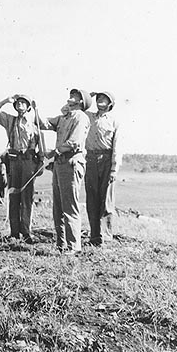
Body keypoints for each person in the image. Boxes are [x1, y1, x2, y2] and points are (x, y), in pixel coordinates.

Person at [0, 94, 46, 243]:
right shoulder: (10, 120)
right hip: (14, 161)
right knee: (13, 196)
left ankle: (26, 232)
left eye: (23, 103)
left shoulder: (35, 124)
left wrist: (40, 163)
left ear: (28, 107)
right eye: (18, 102)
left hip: (29, 161)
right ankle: (14, 233)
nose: (20, 105)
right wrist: (5, 101)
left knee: (27, 197)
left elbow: (42, 148)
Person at [43, 89, 91, 254]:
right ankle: (61, 244)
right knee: (58, 206)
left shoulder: (80, 117)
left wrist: (53, 152)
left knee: (69, 206)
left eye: (74, 96)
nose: (69, 98)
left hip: (71, 162)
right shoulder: (64, 118)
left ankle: (73, 246)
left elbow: (74, 142)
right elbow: (44, 123)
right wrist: (31, 111)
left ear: (80, 102)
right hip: (59, 164)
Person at [85, 91, 121, 245]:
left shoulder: (114, 122)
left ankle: (105, 237)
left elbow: (117, 147)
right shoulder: (87, 117)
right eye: (98, 98)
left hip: (106, 160)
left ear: (110, 104)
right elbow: (67, 109)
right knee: (91, 199)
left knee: (106, 200)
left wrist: (114, 169)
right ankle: (94, 236)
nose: (100, 101)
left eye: (104, 99)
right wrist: (86, 96)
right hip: (90, 160)